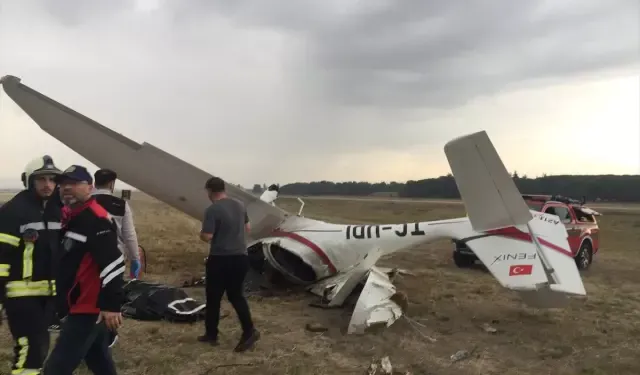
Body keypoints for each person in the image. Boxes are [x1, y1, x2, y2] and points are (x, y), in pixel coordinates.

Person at [42, 165, 125, 375]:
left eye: (74, 183)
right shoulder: (71, 215)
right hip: (78, 304)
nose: (66, 188)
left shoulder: (95, 218)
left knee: (56, 369)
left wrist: (111, 305)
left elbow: (113, 261)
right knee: (99, 361)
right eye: (63, 184)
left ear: (90, 187)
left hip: (87, 307)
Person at [0, 155, 64, 375]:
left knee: (41, 346)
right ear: (29, 181)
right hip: (20, 295)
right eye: (41, 179)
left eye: (52, 180)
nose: (48, 185)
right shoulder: (13, 211)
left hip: (49, 296)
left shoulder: (60, 211)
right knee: (30, 350)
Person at [198, 176, 260, 352]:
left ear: (210, 191)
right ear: (224, 189)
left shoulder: (212, 210)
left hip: (220, 258)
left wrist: (202, 234)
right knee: (236, 295)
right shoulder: (240, 205)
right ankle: (248, 331)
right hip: (241, 257)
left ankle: (212, 334)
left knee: (213, 297)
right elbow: (248, 228)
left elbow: (207, 236)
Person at [92, 168, 141, 279]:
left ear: (95, 183)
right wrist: (135, 258)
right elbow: (129, 235)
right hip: (115, 259)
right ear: (111, 184)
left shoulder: (85, 203)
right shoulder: (121, 205)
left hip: (89, 258)